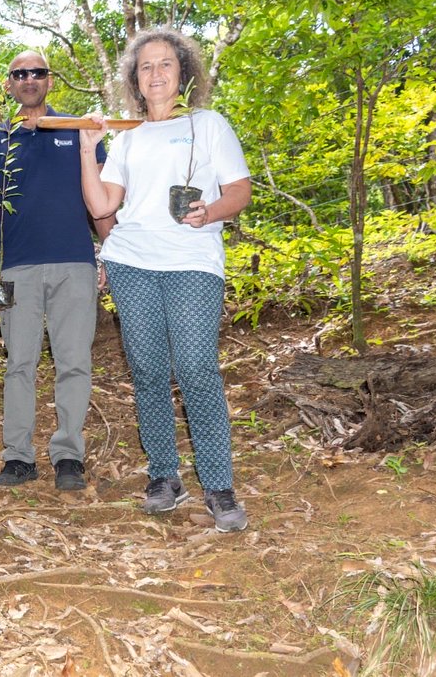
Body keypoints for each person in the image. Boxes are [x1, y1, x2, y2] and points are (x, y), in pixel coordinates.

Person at [79, 28, 252, 532]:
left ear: (183, 74)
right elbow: (101, 205)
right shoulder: (127, 135)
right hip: (133, 261)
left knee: (197, 367)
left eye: (165, 65)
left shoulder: (208, 124)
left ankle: (219, 486)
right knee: (150, 370)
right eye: (146, 67)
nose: (155, 74)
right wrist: (88, 150)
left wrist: (210, 210)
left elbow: (238, 190)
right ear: (135, 78)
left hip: (193, 261)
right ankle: (163, 476)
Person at [0, 50, 116, 491]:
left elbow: (103, 198)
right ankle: (18, 457)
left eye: (37, 72)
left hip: (75, 263)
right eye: (19, 74)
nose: (29, 79)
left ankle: (68, 455)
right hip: (17, 269)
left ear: (50, 81)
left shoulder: (78, 131)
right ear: (9, 84)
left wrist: (109, 253)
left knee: (74, 362)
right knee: (20, 363)